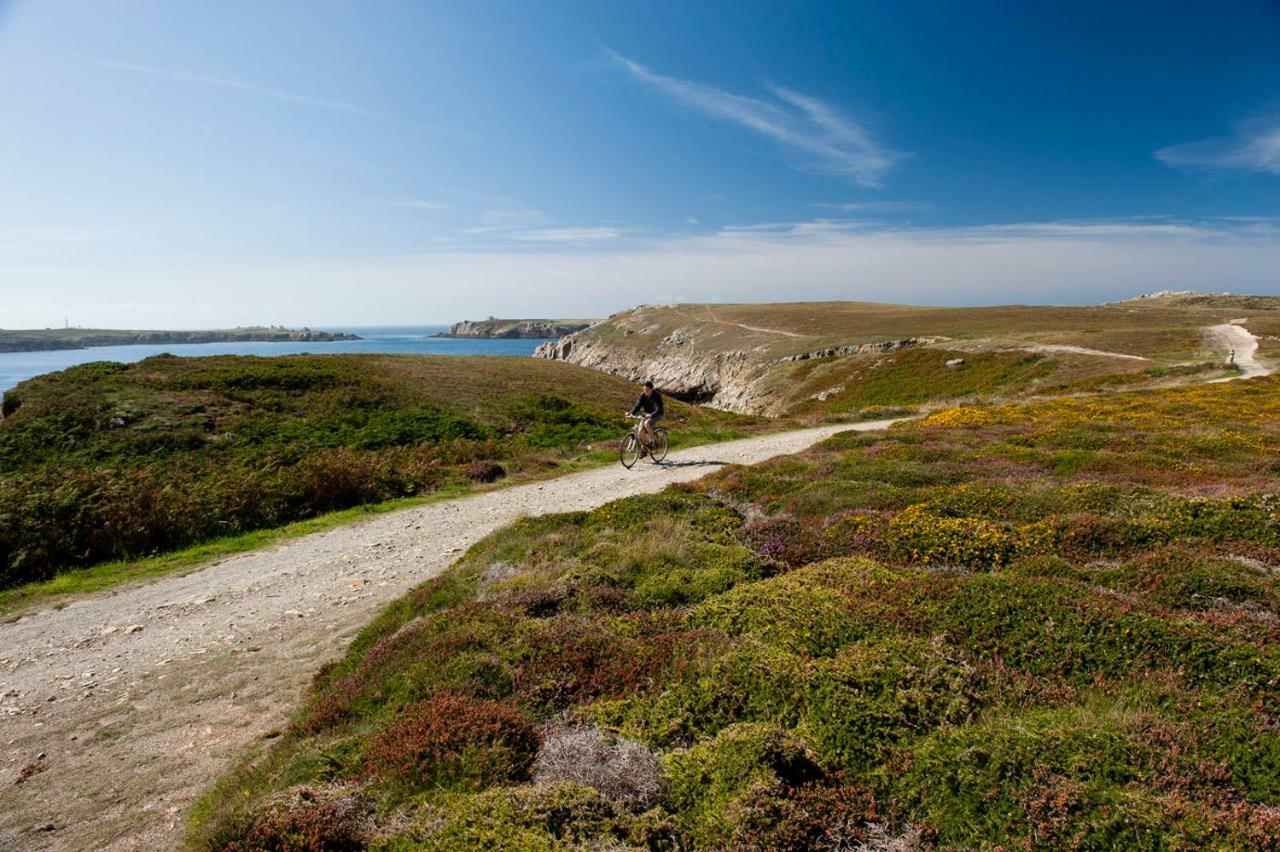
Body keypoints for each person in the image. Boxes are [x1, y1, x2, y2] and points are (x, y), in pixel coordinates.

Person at [628, 381, 664, 456]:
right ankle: (644, 449)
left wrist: (651, 415)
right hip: (647, 415)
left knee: (646, 423)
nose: (645, 391)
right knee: (640, 432)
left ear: (652, 389)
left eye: (647, 390)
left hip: (657, 414)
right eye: (644, 390)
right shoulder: (642, 396)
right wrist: (631, 413)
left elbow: (659, 409)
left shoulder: (656, 396)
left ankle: (653, 442)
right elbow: (637, 406)